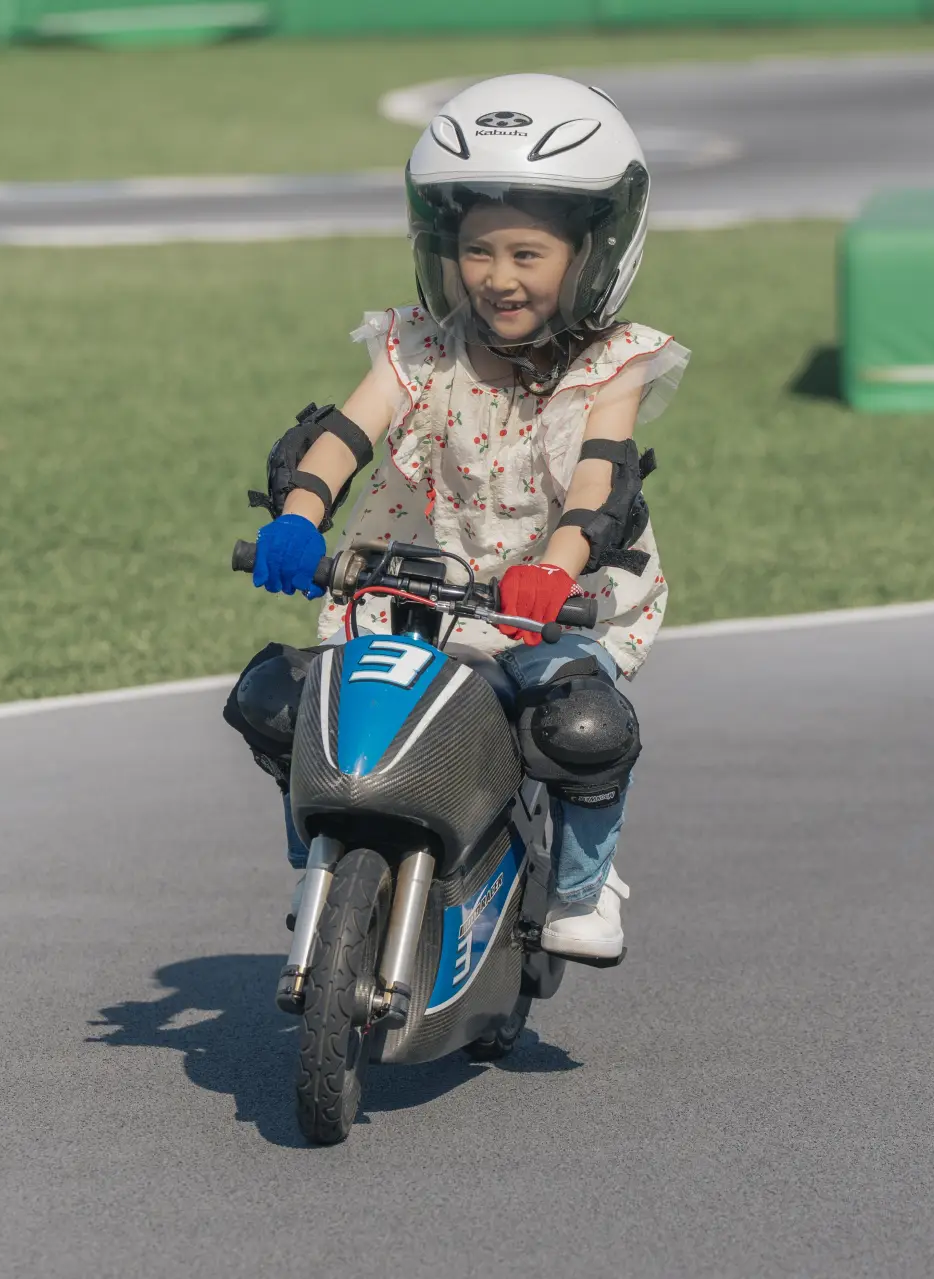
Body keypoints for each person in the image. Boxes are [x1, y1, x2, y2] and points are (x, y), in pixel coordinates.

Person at [224, 74, 689, 960]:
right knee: (282, 700)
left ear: (592, 253)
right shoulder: (417, 346)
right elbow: (340, 435)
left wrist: (554, 566)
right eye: (479, 251)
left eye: (528, 254)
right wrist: (298, 516)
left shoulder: (614, 366)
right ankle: (319, 858)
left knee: (579, 726)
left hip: (549, 595)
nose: (498, 277)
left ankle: (585, 887)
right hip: (409, 584)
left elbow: (600, 482)